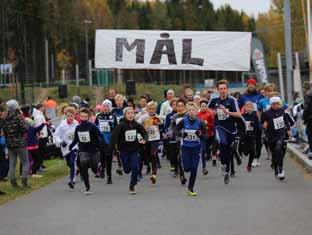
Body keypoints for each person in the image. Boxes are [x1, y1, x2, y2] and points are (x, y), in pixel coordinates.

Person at [208, 79, 242, 185]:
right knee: (222, 142)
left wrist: (227, 112)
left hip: (231, 128)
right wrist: (213, 112)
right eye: (220, 89)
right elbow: (209, 110)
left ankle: (227, 170)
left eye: (224, 88)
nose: (222, 90)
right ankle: (223, 164)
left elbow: (239, 114)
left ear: (227, 89)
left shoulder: (232, 100)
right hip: (219, 126)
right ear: (218, 90)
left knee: (228, 149)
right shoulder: (214, 101)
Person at [111, 107, 148, 195]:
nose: (130, 115)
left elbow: (144, 133)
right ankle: (129, 171)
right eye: (128, 113)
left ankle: (132, 186)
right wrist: (113, 148)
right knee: (127, 170)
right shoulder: (121, 125)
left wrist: (144, 140)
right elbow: (114, 136)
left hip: (134, 150)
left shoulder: (137, 125)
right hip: (123, 151)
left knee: (135, 167)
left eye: (132, 113)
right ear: (125, 115)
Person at [175, 102, 206, 196]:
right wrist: (181, 135)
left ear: (197, 112)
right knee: (187, 168)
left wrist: (200, 134)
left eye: (193, 110)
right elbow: (175, 131)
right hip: (185, 148)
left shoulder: (200, 122)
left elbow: (205, 135)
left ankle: (190, 188)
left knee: (194, 168)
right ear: (187, 112)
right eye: (189, 110)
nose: (191, 112)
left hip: (196, 148)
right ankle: (184, 172)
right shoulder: (183, 121)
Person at [69, 108, 103, 195]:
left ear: (88, 117)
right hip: (83, 150)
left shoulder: (92, 126)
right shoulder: (78, 127)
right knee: (83, 164)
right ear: (79, 117)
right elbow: (76, 138)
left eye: (85, 117)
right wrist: (71, 145)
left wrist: (104, 144)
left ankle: (98, 168)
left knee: (94, 168)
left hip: (94, 150)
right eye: (82, 116)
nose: (83, 118)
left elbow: (100, 135)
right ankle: (87, 187)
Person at [0, 100, 30, 188]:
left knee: (12, 163)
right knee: (25, 162)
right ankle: (24, 182)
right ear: (16, 106)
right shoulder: (18, 116)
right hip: (20, 142)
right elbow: (24, 129)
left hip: (9, 143)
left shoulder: (4, 117)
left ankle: (13, 182)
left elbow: (3, 130)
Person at [261, 96, 291, 181]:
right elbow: (261, 123)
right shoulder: (266, 113)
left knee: (279, 148)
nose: (276, 105)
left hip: (281, 134)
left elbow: (286, 121)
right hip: (271, 135)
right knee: (274, 154)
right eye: (274, 104)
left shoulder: (282, 111)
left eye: (278, 104)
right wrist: (264, 125)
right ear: (271, 104)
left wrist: (288, 130)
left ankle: (281, 168)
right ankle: (276, 170)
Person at [138, 101, 163, 184]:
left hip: (155, 138)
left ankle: (154, 175)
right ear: (147, 109)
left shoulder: (157, 117)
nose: (152, 110)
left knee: (153, 154)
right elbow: (137, 125)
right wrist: (144, 127)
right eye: (150, 109)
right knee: (144, 156)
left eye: (153, 109)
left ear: (155, 109)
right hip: (146, 139)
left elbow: (161, 124)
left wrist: (157, 124)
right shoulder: (143, 117)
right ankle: (139, 173)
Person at [54, 107, 79, 189]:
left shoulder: (76, 124)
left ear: (74, 116)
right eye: (68, 116)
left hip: (74, 147)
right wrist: (60, 142)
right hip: (65, 148)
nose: (70, 118)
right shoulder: (62, 125)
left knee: (72, 162)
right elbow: (56, 136)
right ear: (65, 116)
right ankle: (76, 170)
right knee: (69, 163)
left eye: (72, 116)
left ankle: (72, 181)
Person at [94, 99, 117, 184]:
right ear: (102, 107)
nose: (105, 108)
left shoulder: (113, 116)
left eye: (107, 106)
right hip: (101, 140)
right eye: (104, 106)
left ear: (110, 108)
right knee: (102, 158)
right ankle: (102, 168)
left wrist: (112, 127)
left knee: (109, 159)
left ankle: (109, 177)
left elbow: (116, 128)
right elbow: (95, 127)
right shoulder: (98, 116)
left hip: (110, 141)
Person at [168, 99, 187, 184]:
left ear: (185, 107)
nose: (179, 108)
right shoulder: (175, 116)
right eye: (178, 106)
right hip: (179, 139)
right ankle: (182, 175)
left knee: (186, 157)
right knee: (179, 157)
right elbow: (171, 127)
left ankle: (187, 168)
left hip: (189, 139)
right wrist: (170, 133)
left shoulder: (188, 115)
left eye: (181, 106)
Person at [241, 102, 260, 172]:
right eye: (247, 107)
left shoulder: (255, 116)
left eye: (250, 107)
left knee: (252, 150)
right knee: (245, 152)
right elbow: (240, 126)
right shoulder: (242, 116)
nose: (248, 108)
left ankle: (249, 165)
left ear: (252, 108)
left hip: (252, 135)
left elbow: (258, 126)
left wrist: (253, 124)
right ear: (245, 108)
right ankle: (245, 152)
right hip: (244, 135)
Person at [197, 100, 215, 175]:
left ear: (207, 107)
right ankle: (204, 167)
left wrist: (207, 125)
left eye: (205, 106)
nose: (204, 107)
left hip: (210, 135)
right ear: (200, 107)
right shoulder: (197, 115)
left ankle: (210, 155)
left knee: (208, 149)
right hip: (202, 135)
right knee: (203, 150)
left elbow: (213, 124)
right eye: (202, 106)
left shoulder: (210, 114)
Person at [303, 82, 312, 158]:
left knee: (309, 134)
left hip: (310, 118)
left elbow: (306, 108)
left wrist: (304, 118)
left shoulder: (309, 94)